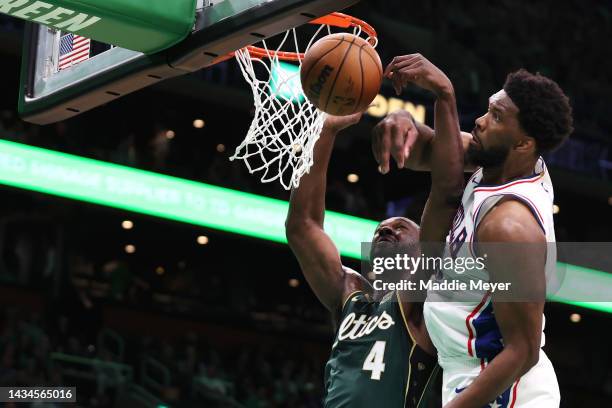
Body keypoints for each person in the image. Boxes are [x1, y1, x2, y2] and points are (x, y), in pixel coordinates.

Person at [376, 56, 573, 407]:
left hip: (507, 393)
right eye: (487, 110)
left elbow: (523, 351)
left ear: (523, 144)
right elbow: (432, 151)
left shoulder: (509, 228)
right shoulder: (500, 162)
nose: (480, 122)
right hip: (468, 373)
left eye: (496, 117)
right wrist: (402, 120)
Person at [285, 56, 465, 407]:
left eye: (401, 228)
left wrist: (445, 97)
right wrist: (325, 130)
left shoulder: (420, 300)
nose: (386, 230)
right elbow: (302, 225)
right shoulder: (350, 293)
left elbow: (444, 196)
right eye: (382, 228)